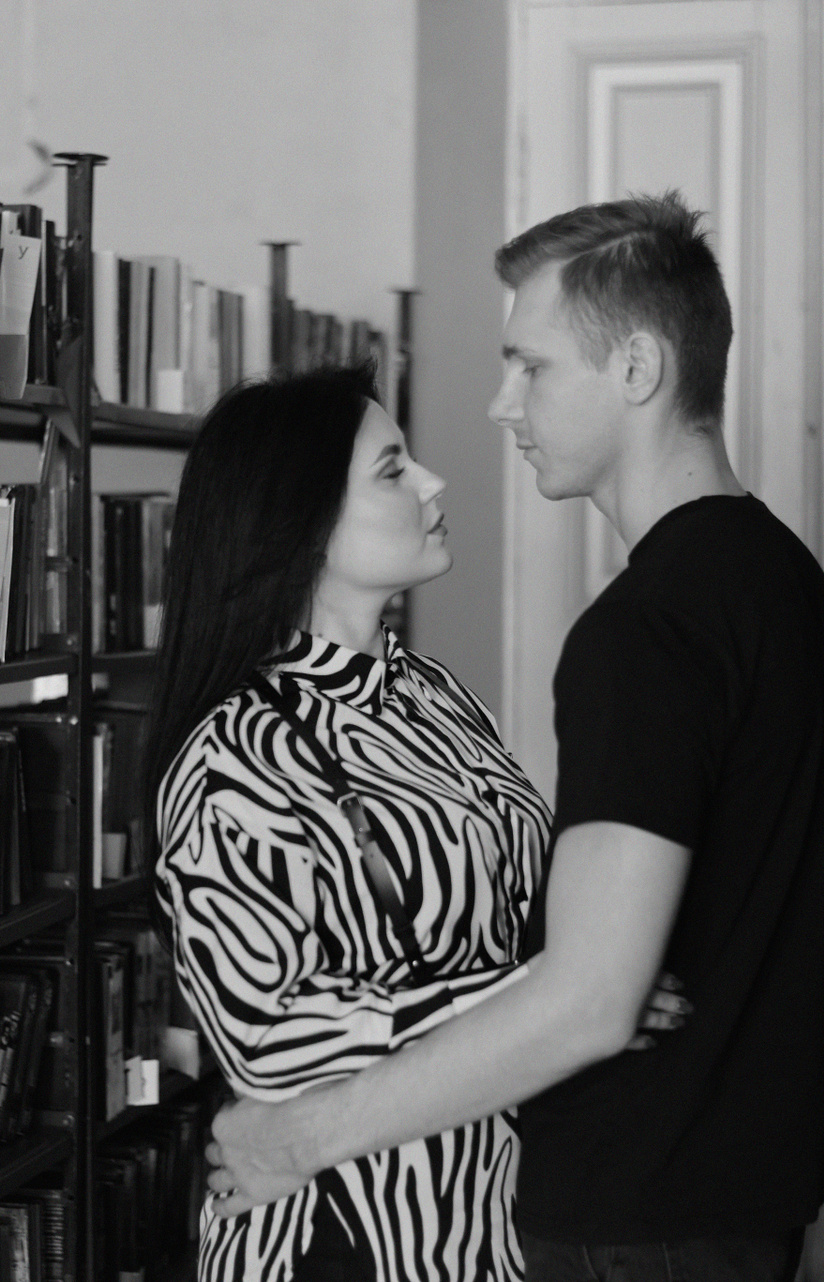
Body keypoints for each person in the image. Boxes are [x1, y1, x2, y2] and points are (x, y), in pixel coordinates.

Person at [203, 193, 824, 1282]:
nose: (502, 404)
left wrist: (297, 1139)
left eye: (531, 366)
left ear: (638, 369)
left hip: (638, 1215)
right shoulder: (790, 585)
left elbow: (589, 1002)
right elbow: (822, 897)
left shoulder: (645, 631)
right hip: (736, 1196)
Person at [148, 365, 685, 1281]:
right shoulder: (230, 757)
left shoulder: (433, 694)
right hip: (339, 1234)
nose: (434, 482)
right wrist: (557, 995)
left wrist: (589, 973)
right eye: (393, 470)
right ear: (301, 521)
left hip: (500, 1212)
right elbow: (265, 1035)